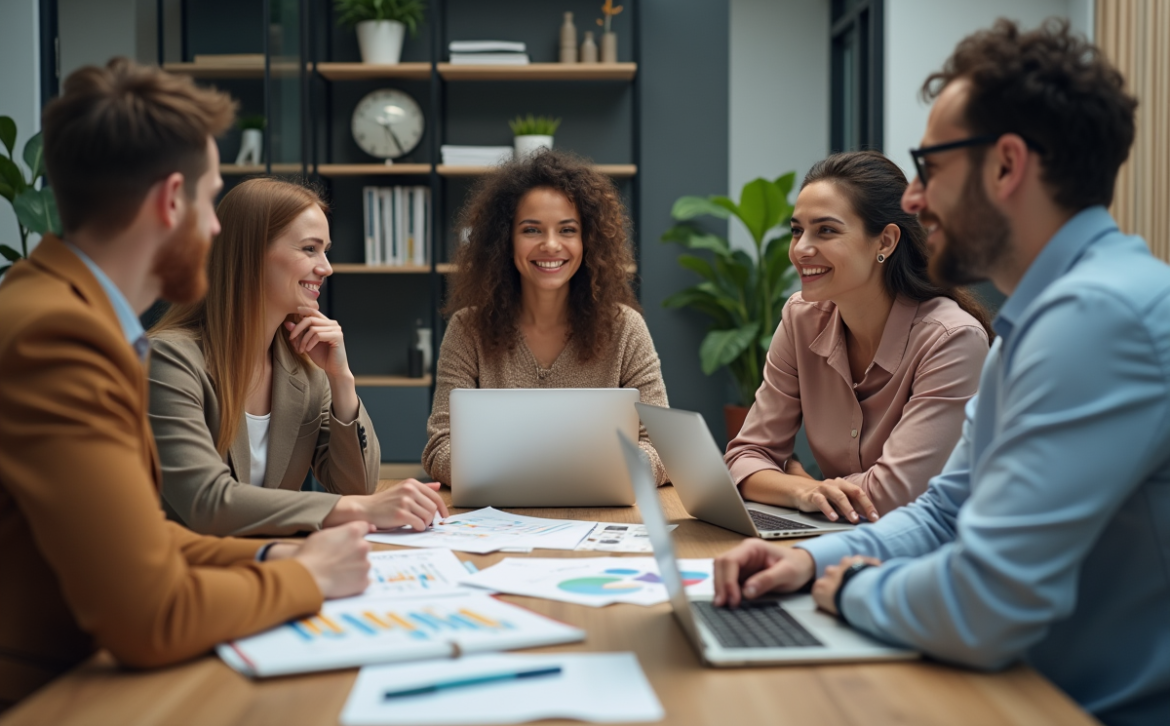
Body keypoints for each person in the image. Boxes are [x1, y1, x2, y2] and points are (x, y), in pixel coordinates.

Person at [713, 19, 1169, 726]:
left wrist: (847, 586)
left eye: (930, 168)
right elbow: (942, 511)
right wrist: (810, 563)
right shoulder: (1041, 318)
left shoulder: (1099, 319)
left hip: (1073, 707)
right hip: (1013, 684)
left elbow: (986, 605)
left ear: (1006, 166)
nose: (917, 199)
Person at [0, 59, 372, 710]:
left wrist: (269, 560)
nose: (217, 228)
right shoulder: (59, 337)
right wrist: (306, 578)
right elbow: (151, 615)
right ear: (172, 200)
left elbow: (142, 535)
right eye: (210, 200)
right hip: (47, 695)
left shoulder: (65, 311)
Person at [148, 177, 448, 537]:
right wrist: (357, 508)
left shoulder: (305, 370)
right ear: (250, 252)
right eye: (309, 249)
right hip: (189, 577)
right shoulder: (169, 361)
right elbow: (206, 503)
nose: (326, 267)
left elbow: (357, 486)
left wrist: (342, 380)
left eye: (325, 250)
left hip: (272, 565)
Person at [726, 150, 991, 521]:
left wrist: (794, 484)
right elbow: (746, 457)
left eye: (826, 230)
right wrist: (806, 490)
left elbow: (892, 495)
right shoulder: (800, 318)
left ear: (885, 242)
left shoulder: (952, 340)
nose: (801, 249)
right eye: (797, 230)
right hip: (841, 536)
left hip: (934, 556)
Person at [422, 149, 670, 485]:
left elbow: (662, 448)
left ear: (588, 240)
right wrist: (543, 468)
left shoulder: (626, 328)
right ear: (505, 240)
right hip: (498, 518)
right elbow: (440, 449)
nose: (551, 245)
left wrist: (590, 472)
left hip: (601, 514)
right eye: (531, 230)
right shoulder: (468, 330)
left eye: (567, 230)